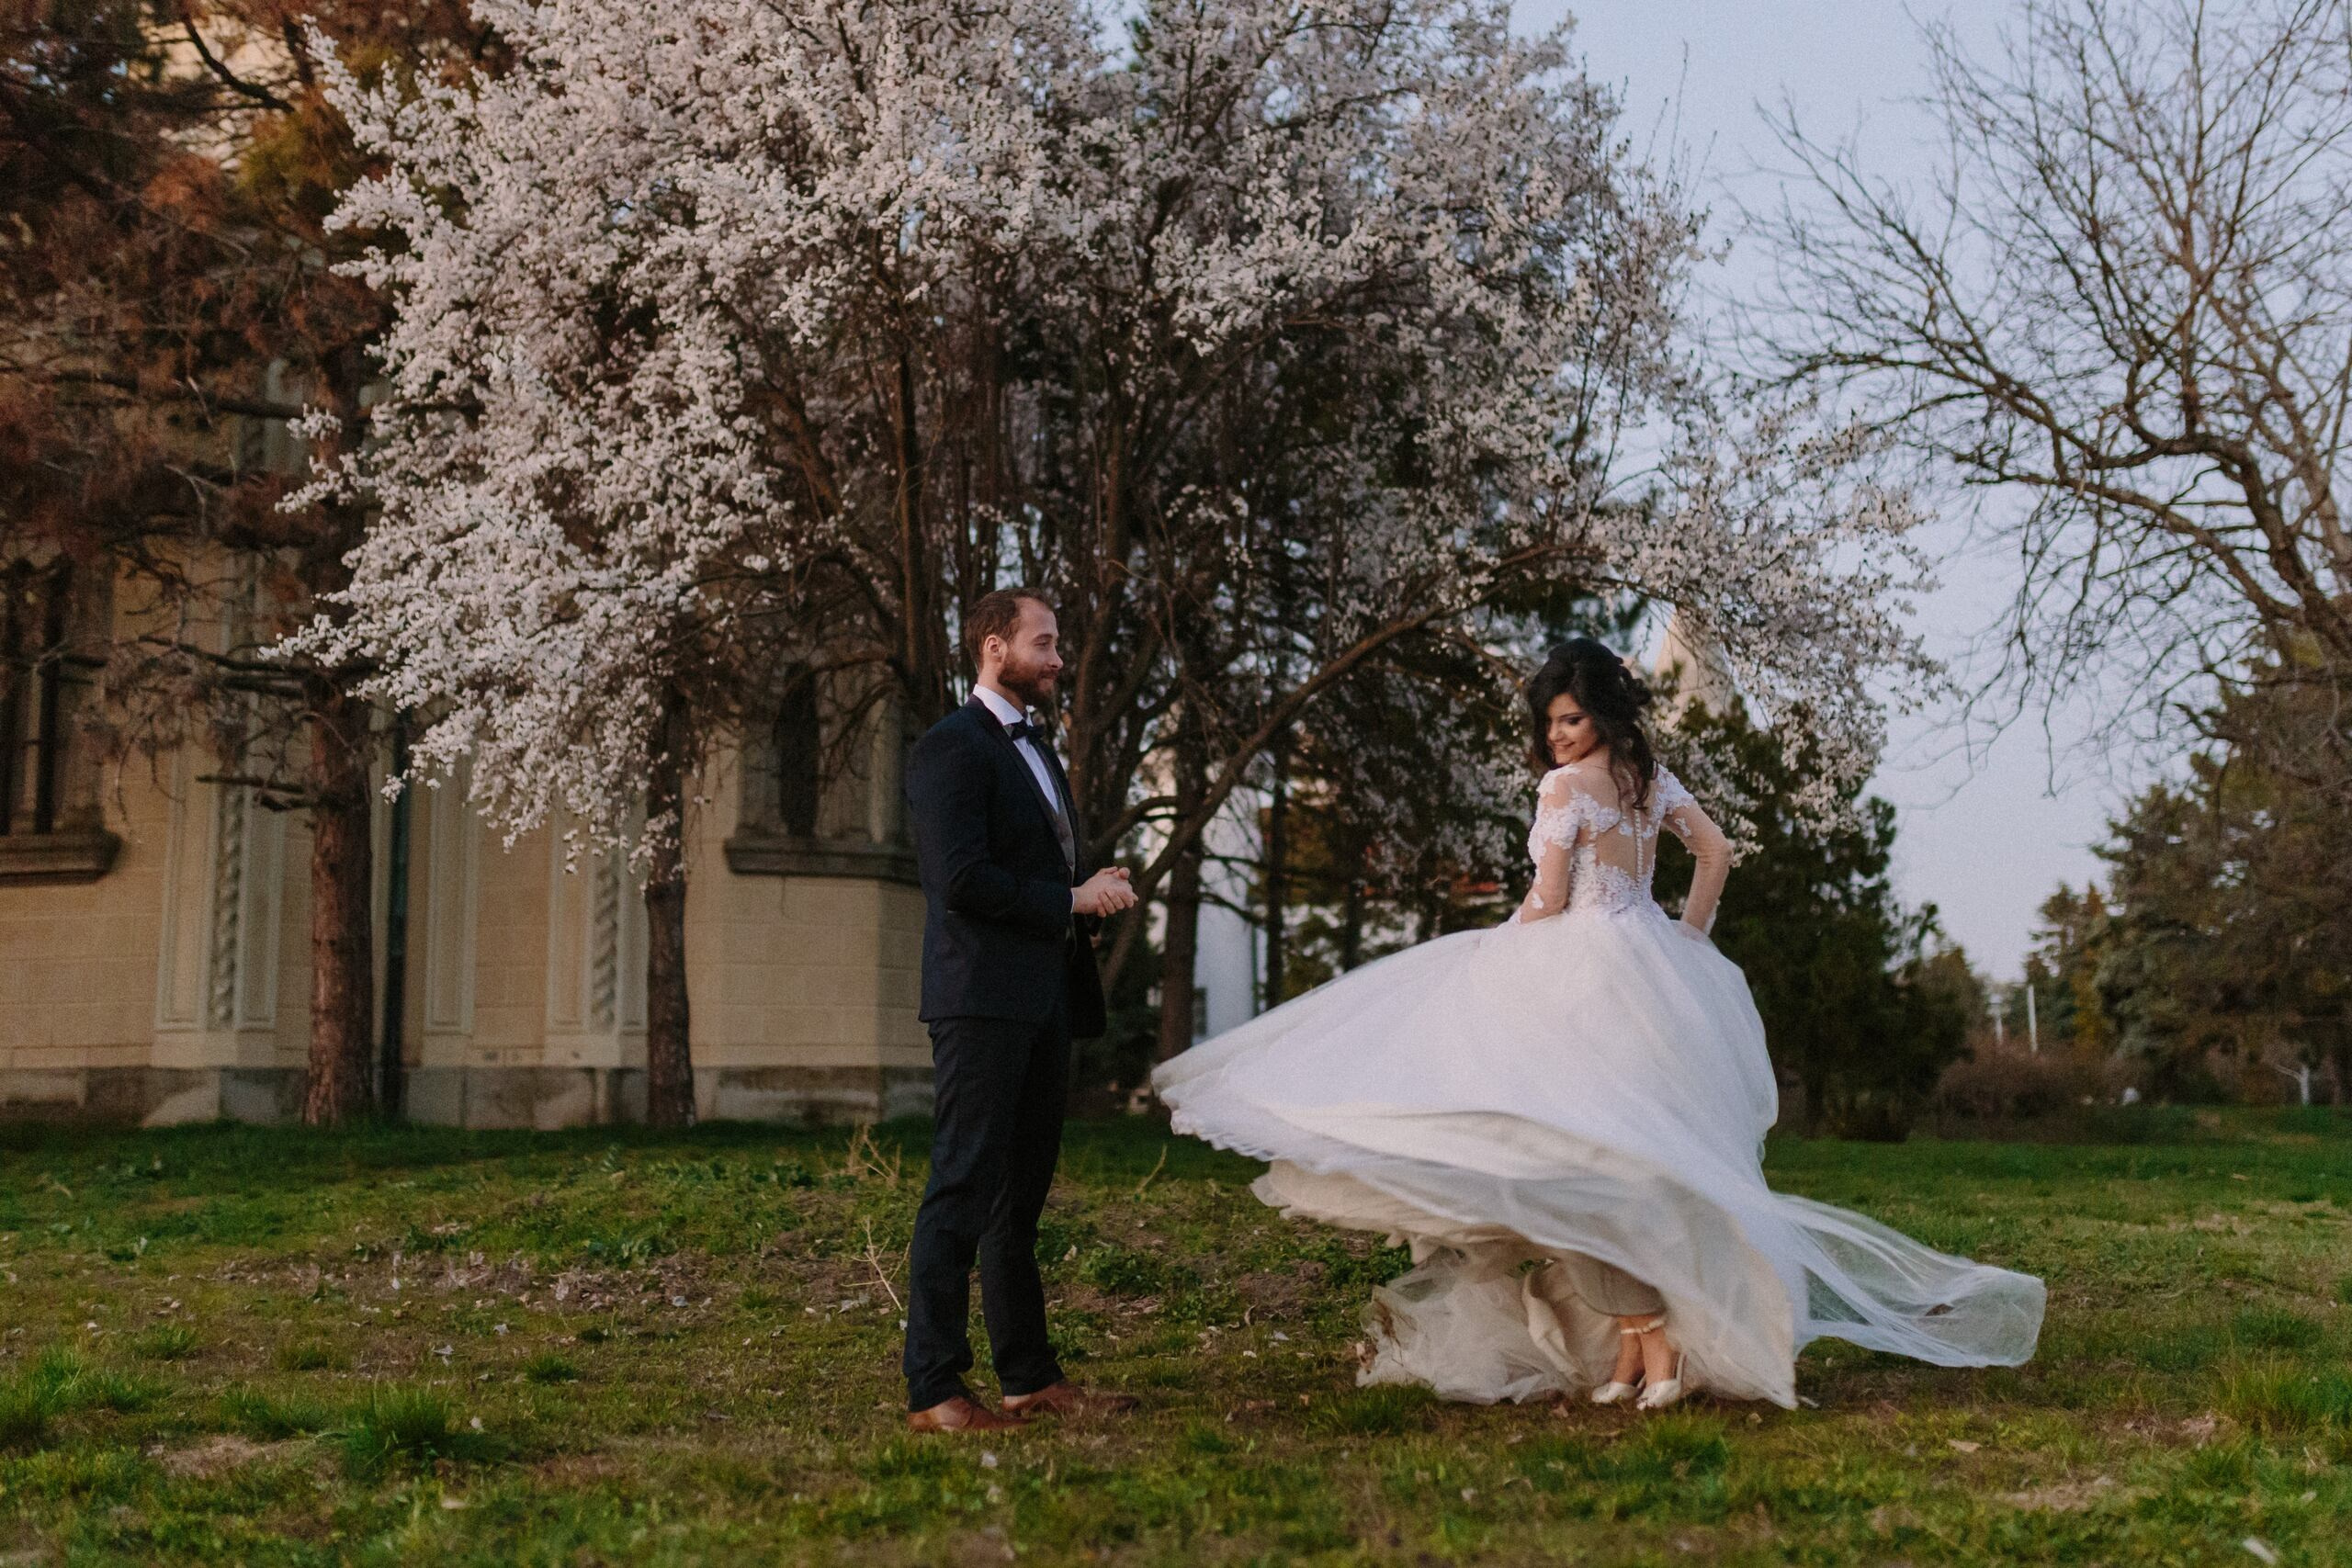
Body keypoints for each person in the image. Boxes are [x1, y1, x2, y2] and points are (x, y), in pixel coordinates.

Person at [1153, 637, 2043, 1409]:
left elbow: (1546, 898)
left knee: (1584, 1154)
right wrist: (1684, 939)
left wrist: (1499, 951)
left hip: (1581, 965)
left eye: (1570, 720)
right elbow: (1715, 851)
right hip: (1649, 967)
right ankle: (1630, 1349)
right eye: (1550, 724)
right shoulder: (1647, 781)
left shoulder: (1561, 792)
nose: (1556, 736)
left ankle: (1648, 1340)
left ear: (1605, 717)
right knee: (1640, 1154)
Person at [900, 587, 1143, 1433]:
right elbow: (959, 881)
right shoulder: (949, 749)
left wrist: (1086, 889)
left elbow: (1033, 870)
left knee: (1019, 1203)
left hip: (1042, 1002)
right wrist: (1072, 900)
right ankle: (933, 1387)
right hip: (978, 1002)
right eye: (1044, 642)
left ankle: (1027, 1377)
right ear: (994, 648)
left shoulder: (1039, 746)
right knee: (961, 1186)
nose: (1057, 656)